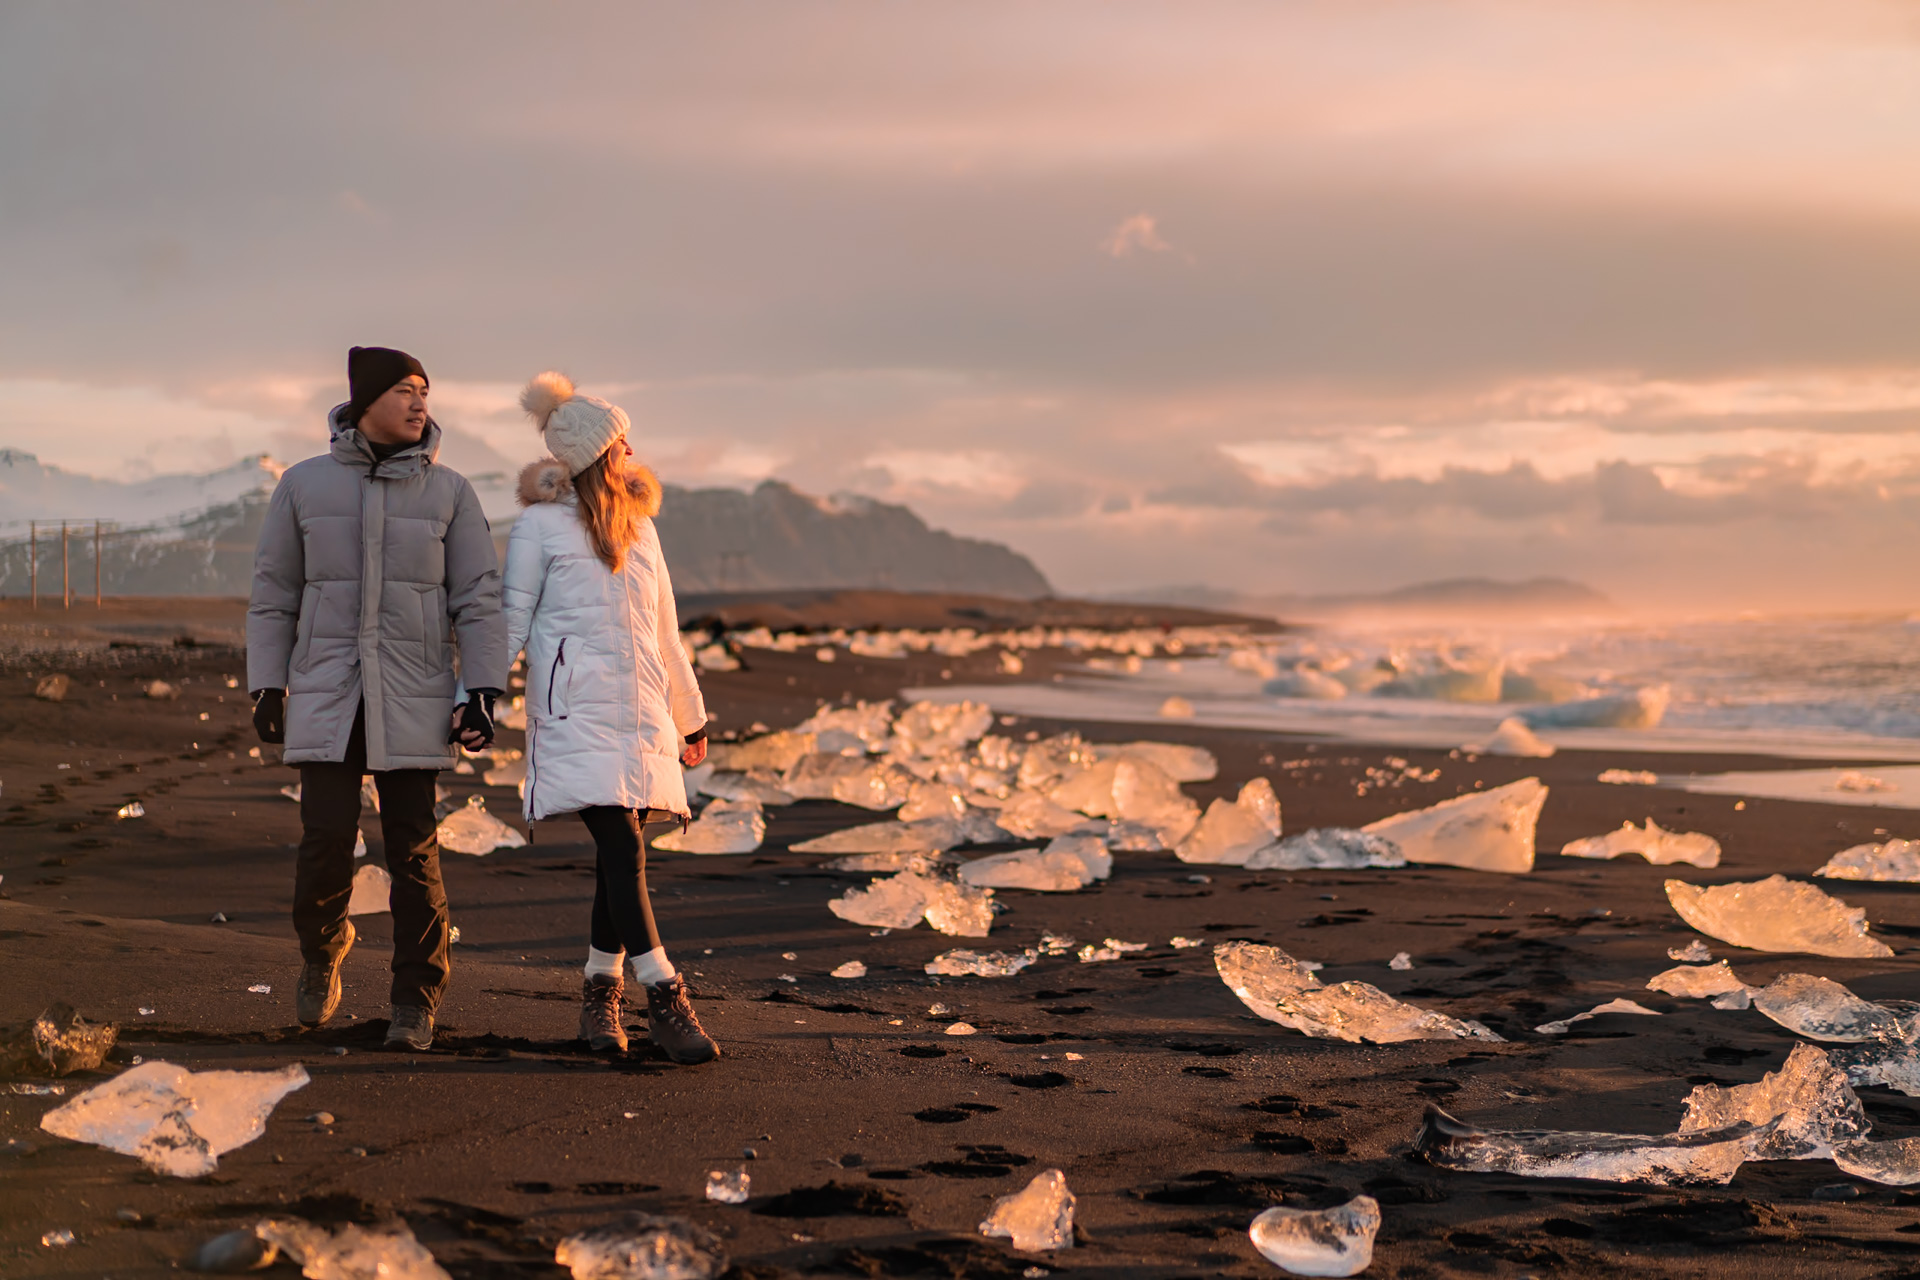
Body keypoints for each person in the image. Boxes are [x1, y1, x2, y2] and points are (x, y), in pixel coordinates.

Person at [247, 346, 508, 1051]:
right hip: (329, 690)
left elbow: (479, 599)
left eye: (425, 390)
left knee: (412, 850)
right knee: (325, 842)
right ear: (365, 401)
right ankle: (321, 951)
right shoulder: (303, 486)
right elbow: (274, 595)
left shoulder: (450, 491)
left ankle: (415, 998)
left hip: (414, 693)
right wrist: (267, 682)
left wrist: (482, 689)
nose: (420, 402)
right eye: (403, 390)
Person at [502, 371, 717, 1063]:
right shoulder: (538, 526)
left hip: (641, 715)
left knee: (620, 856)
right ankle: (665, 994)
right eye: (622, 445)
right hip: (571, 713)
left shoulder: (643, 530)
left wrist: (690, 719)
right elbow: (510, 618)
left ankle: (599, 995)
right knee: (622, 849)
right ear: (597, 453)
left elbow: (666, 636)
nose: (633, 455)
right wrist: (473, 693)